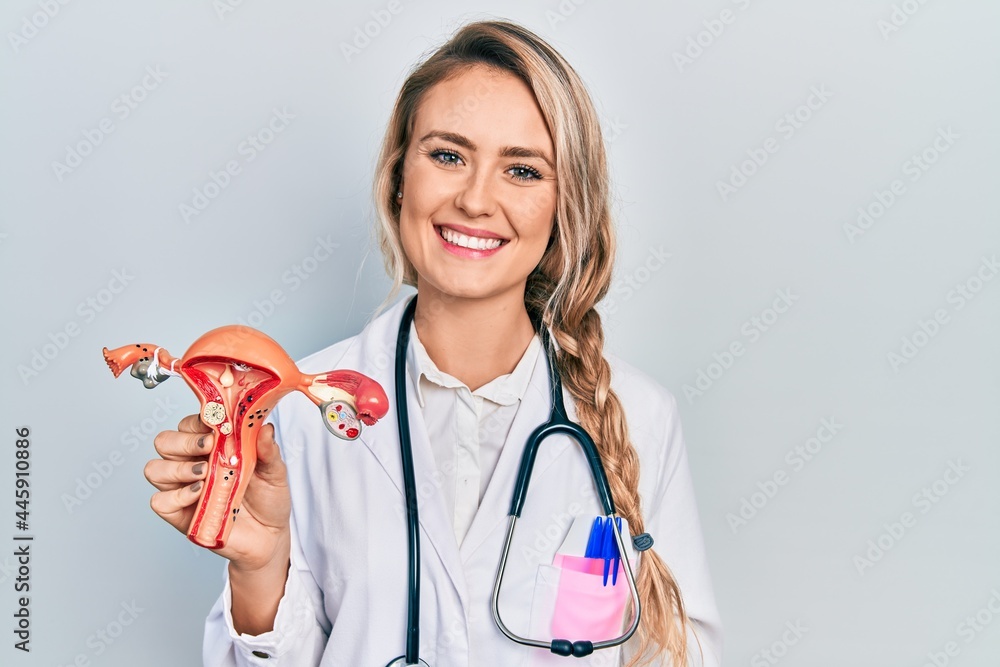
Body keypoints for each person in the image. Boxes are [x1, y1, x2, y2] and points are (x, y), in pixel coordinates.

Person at [145, 19, 722, 667]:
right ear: (399, 177)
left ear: (565, 207)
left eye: (522, 170)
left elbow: (678, 654)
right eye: (448, 156)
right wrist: (260, 566)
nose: (475, 200)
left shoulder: (641, 418)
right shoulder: (298, 411)